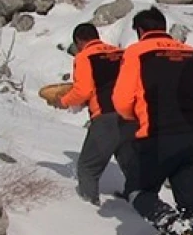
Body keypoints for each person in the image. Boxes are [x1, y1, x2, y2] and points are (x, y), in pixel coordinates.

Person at [112, 7, 193, 235]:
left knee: (139, 191)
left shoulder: (137, 52)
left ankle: (170, 222)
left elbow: (121, 101)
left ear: (140, 31)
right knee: (192, 204)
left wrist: (134, 115)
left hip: (157, 137)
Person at [52, 23, 135, 206]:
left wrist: (63, 101)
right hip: (131, 116)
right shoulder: (120, 53)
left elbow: (83, 91)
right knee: (130, 163)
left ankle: (88, 207)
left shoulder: (84, 57)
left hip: (106, 117)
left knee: (87, 167)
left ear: (79, 41)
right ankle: (141, 202)